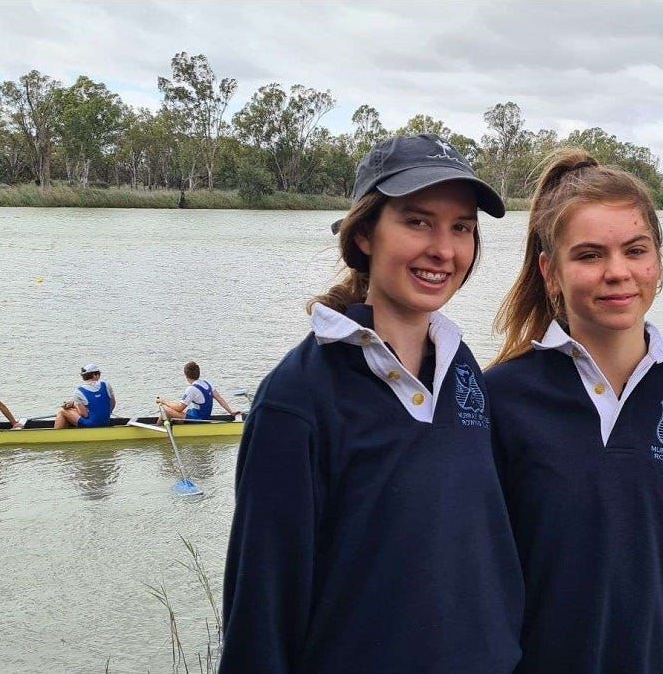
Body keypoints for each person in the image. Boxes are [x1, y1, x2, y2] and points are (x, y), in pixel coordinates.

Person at [219, 134, 522, 673]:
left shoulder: (464, 370)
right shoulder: (297, 398)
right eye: (417, 221)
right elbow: (261, 608)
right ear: (364, 234)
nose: (444, 249)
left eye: (462, 228)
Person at [486, 149, 663, 672]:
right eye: (588, 255)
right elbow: (480, 581)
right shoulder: (501, 400)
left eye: (635, 250)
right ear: (550, 271)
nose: (617, 272)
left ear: (658, 261)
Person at [155, 361, 241, 420]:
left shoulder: (192, 389)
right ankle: (172, 424)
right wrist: (231, 411)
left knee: (165, 409)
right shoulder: (207, 383)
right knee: (174, 409)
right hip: (200, 416)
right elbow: (219, 398)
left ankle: (158, 431)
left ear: (185, 375)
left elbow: (179, 408)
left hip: (198, 420)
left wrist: (163, 401)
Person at [53, 364, 116, 429]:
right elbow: (113, 403)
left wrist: (74, 406)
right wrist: (105, 413)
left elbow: (84, 414)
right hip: (106, 421)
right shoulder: (106, 385)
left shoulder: (78, 391)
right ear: (95, 375)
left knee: (62, 411)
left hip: (90, 424)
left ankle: (56, 436)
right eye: (99, 374)